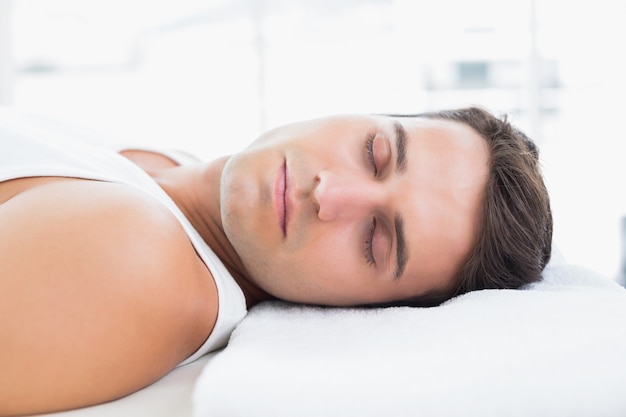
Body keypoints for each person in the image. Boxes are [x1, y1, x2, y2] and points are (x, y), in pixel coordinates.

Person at [0, 106, 552, 416]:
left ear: (368, 308)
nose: (330, 193)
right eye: (374, 152)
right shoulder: (169, 163)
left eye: (375, 243)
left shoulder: (137, 256)